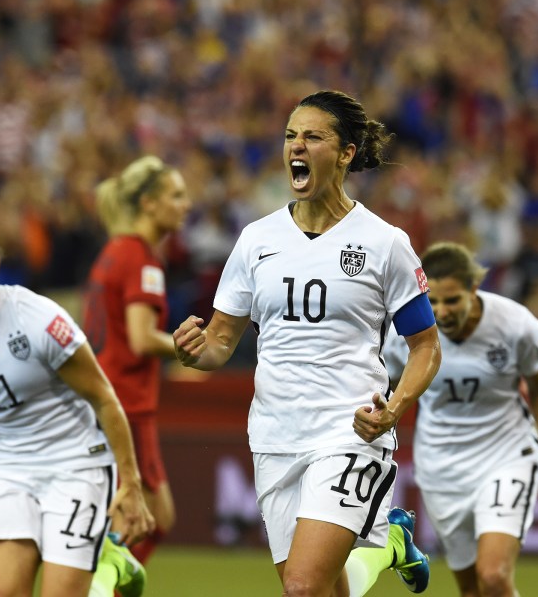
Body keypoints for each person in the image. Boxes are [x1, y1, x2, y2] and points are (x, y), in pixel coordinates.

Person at [173, 90, 442, 597]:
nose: (297, 146)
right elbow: (219, 343)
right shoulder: (256, 240)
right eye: (290, 136)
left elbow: (426, 346)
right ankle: (391, 546)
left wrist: (395, 408)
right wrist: (193, 350)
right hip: (275, 436)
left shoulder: (385, 243)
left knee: (301, 586)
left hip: (349, 434)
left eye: (313, 136)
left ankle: (388, 543)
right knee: (322, 592)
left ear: (345, 153)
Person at [0, 206, 155, 597]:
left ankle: (109, 568)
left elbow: (103, 398)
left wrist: (129, 483)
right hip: (6, 469)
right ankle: (106, 569)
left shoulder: (40, 319)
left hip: (76, 462)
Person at [383, 241, 538, 597]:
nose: (442, 311)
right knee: (471, 589)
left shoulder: (517, 326)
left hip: (506, 456)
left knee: (495, 577)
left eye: (452, 300)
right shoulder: (403, 336)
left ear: (474, 287)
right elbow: (384, 390)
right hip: (441, 468)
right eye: (432, 301)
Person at [81, 155, 191, 563]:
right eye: (176, 195)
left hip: (105, 397)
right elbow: (142, 339)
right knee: (152, 518)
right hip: (126, 404)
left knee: (132, 519)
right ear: (148, 203)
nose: (186, 204)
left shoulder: (114, 251)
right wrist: (191, 350)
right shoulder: (142, 259)